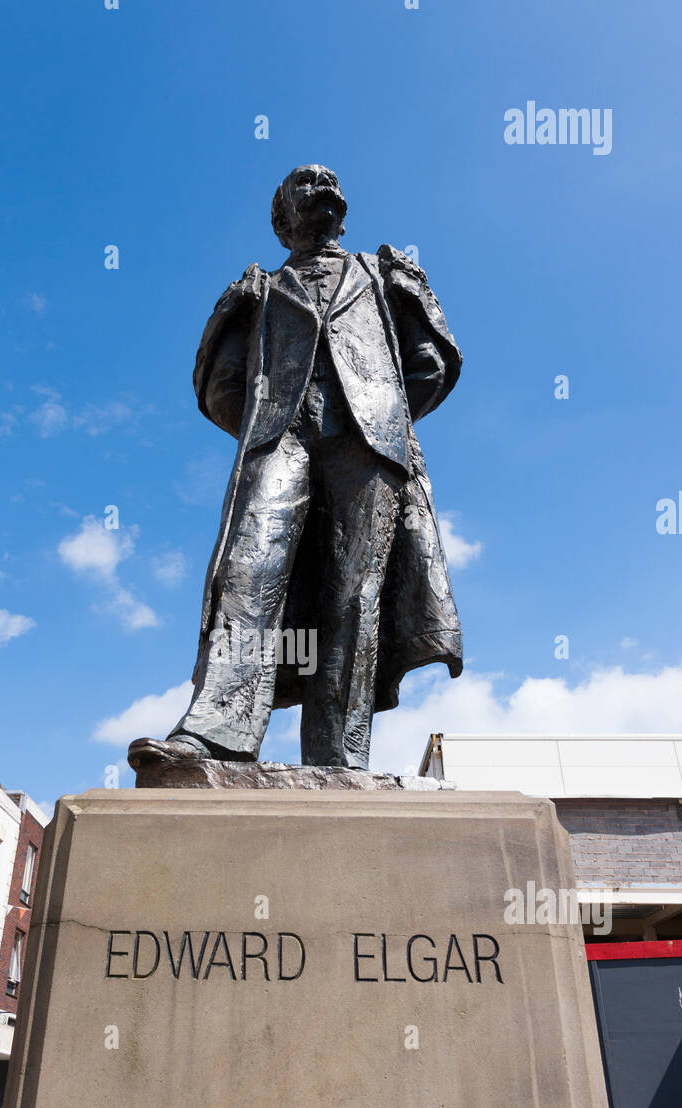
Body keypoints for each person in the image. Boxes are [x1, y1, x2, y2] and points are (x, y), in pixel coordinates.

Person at [138, 164, 462, 771]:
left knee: (355, 593)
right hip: (280, 437)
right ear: (282, 219)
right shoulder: (257, 289)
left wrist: (379, 418)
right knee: (249, 568)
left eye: (327, 180)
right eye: (303, 182)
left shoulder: (385, 277)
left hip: (366, 444)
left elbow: (431, 363)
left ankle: (339, 755)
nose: (320, 183)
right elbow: (220, 386)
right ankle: (217, 731)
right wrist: (273, 422)